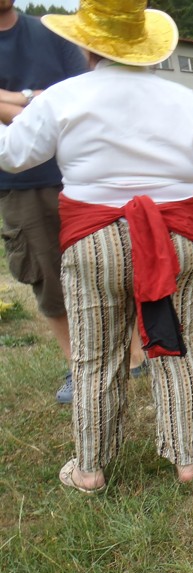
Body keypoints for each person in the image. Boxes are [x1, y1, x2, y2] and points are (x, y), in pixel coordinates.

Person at [0, 0, 193, 492]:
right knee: (176, 346)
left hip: (91, 242)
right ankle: (187, 456)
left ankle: (90, 467)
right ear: (146, 46)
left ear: (88, 45)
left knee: (94, 356)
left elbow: (14, 156)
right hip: (176, 238)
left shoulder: (62, 97)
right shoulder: (189, 102)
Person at [0, 0, 87, 403]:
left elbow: (82, 92)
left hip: (80, 171)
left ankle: (134, 353)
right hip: (20, 182)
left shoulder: (51, 33)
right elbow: (50, 105)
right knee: (47, 277)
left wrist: (11, 100)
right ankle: (77, 368)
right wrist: (36, 99)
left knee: (107, 265)